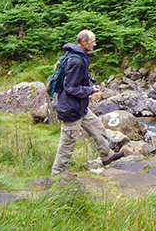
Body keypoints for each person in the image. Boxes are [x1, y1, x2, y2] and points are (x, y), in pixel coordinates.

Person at [51, 30, 123, 177]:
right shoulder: (76, 60)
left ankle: (107, 155)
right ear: (84, 42)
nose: (95, 44)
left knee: (97, 126)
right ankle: (58, 173)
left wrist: (87, 79)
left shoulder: (78, 55)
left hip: (80, 106)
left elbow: (75, 78)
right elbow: (70, 88)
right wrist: (90, 90)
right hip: (71, 108)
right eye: (93, 41)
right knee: (68, 141)